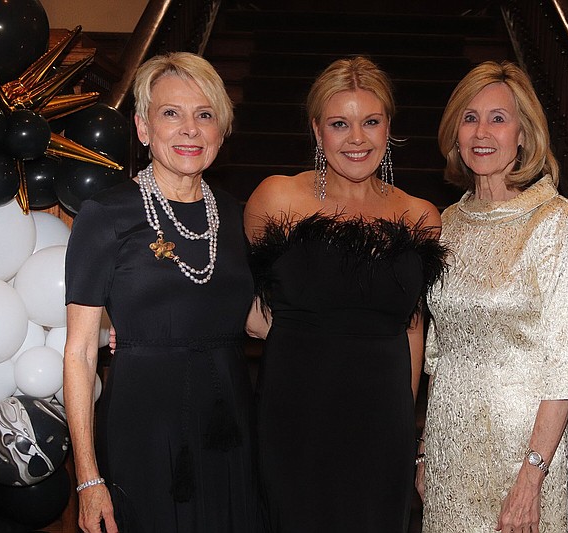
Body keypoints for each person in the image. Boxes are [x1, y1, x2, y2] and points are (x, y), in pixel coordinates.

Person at [244, 56, 446, 533]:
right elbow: (248, 305)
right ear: (318, 132)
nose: (357, 138)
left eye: (370, 122)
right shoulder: (276, 199)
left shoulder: (420, 215)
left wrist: (403, 420)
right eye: (340, 124)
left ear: (387, 128)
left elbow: (413, 327)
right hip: (297, 412)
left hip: (383, 418)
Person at [64, 52, 256, 533]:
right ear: (143, 127)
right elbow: (81, 352)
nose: (190, 129)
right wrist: (88, 479)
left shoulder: (238, 216)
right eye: (172, 113)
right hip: (142, 426)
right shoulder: (105, 215)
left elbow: (257, 319)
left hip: (231, 422)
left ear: (221, 131)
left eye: (205, 114)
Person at [416, 60, 568, 532]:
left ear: (524, 133)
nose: (481, 132)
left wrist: (532, 478)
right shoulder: (443, 224)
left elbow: (566, 366)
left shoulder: (556, 221)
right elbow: (439, 352)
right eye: (469, 117)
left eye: (498, 118)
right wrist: (425, 451)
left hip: (524, 456)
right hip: (448, 450)